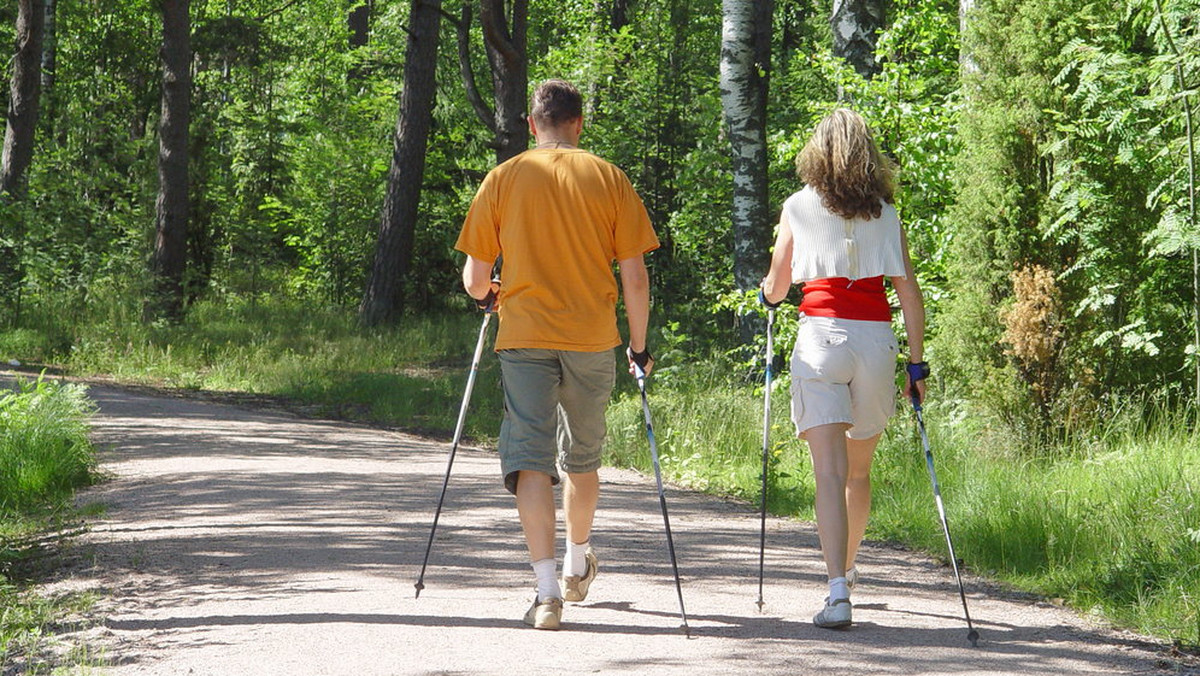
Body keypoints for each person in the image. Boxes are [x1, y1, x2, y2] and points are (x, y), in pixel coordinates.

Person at [455, 79, 660, 631]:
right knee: (583, 457)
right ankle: (577, 562)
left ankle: (546, 593)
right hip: (592, 338)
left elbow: (476, 280)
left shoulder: (503, 178)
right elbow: (635, 277)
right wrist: (639, 347)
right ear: (579, 124)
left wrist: (491, 293)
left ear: (531, 124)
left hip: (523, 335)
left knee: (529, 458)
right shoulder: (609, 177)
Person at [759, 108, 927, 629]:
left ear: (817, 153)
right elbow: (909, 295)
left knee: (827, 474)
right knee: (858, 471)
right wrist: (916, 366)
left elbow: (778, 288)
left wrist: (766, 292)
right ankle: (850, 569)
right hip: (875, 343)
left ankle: (837, 593)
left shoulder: (797, 207)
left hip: (821, 340)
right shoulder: (887, 213)